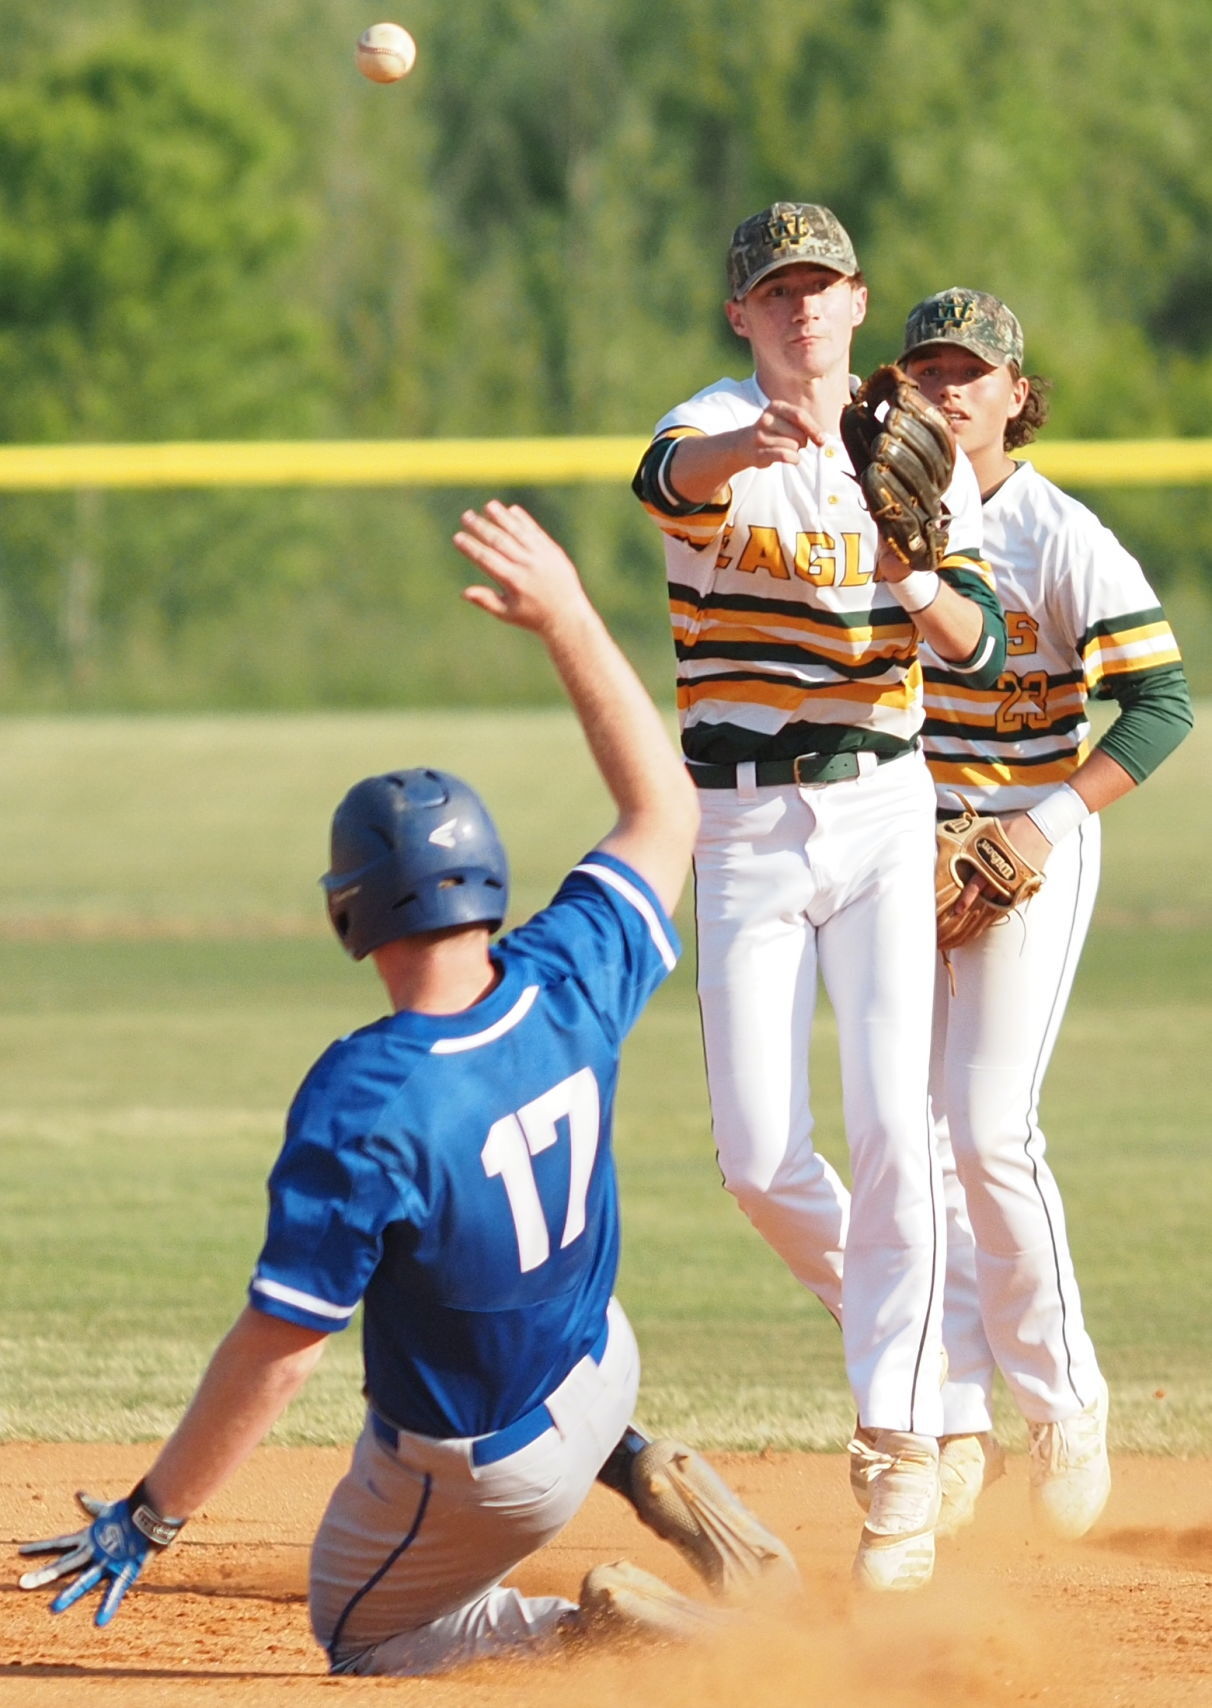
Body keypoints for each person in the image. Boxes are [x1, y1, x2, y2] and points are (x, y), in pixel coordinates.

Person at [18, 503, 793, 1673]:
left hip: (494, 1469)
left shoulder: (366, 1097)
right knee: (511, 1319)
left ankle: (609, 1632)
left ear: (352, 913)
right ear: (487, 880)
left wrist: (150, 1513)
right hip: (602, 1363)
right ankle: (643, 1466)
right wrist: (570, 615)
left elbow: (284, 1349)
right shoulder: (571, 968)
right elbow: (665, 809)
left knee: (365, 1634)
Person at [632, 201, 1008, 1591]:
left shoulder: (914, 445)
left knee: (894, 1131)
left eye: (825, 286)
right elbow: (668, 477)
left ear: (859, 300)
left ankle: (899, 1451)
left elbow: (971, 640)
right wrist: (758, 444)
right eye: (775, 290)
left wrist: (911, 561)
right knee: (756, 1158)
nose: (802, 309)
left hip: (879, 806)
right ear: (742, 312)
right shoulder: (713, 424)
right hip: (738, 828)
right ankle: (941, 1354)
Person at [897, 287, 1194, 1539]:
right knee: (901, 1140)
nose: (951, 388)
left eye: (975, 370)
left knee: (988, 1127)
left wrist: (1042, 823)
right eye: (930, 369)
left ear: (1019, 391)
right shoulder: (879, 525)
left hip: (1027, 838)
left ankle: (1064, 1400)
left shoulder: (1061, 537)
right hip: (902, 843)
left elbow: (1163, 705)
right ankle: (953, 1418)